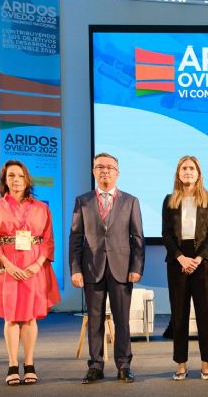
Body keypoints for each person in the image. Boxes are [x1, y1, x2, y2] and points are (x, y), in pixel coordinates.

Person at [69, 153, 145, 384]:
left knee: (122, 320)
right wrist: (75, 269)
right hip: (91, 269)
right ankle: (95, 366)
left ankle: (124, 366)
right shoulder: (83, 201)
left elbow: (137, 238)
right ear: (93, 171)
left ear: (117, 173)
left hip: (122, 269)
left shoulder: (130, 201)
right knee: (94, 320)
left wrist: (137, 267)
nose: (105, 171)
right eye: (99, 167)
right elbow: (75, 237)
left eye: (110, 167)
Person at [0, 160, 61, 386]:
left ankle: (29, 364)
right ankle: (11, 364)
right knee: (10, 317)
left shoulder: (41, 207)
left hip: (33, 268)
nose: (15, 180)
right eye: (11, 176)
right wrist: (8, 264)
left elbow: (48, 241)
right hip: (6, 267)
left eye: (19, 176)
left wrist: (37, 265)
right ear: (4, 181)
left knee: (29, 317)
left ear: (27, 179)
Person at [162, 155, 208, 381]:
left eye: (191, 168)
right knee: (179, 316)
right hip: (177, 262)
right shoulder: (170, 200)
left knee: (205, 314)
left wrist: (198, 258)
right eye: (184, 168)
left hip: (203, 262)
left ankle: (206, 364)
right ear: (178, 173)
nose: (187, 171)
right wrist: (180, 258)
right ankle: (181, 365)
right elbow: (166, 233)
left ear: (198, 173)